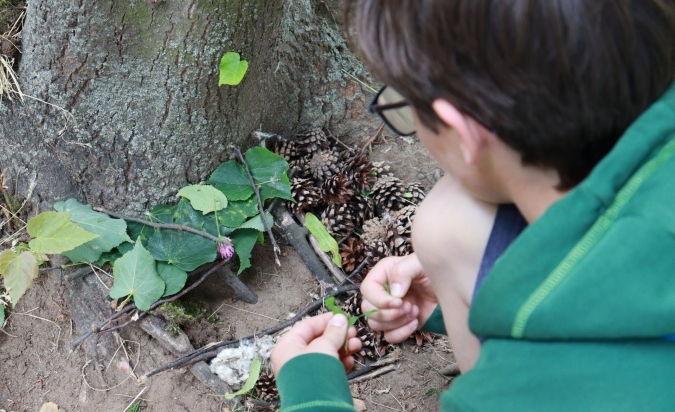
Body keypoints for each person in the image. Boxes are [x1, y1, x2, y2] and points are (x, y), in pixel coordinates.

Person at [271, 0, 675, 410]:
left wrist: (312, 394)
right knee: (450, 219)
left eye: (404, 107)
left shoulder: (533, 391)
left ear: (462, 131)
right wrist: (459, 303)